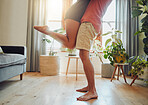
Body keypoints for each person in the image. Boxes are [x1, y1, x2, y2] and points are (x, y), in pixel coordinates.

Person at [34, 0, 112, 101]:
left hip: (90, 22)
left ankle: (92, 90)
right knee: (72, 46)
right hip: (90, 21)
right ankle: (90, 87)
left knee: (84, 55)